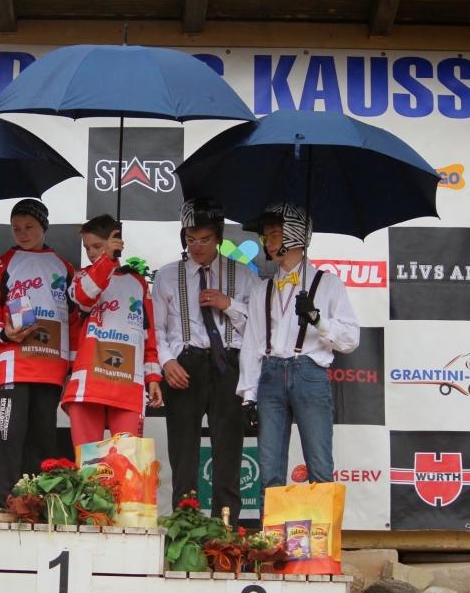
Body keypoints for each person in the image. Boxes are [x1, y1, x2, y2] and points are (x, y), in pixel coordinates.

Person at [237, 203, 359, 493]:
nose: (267, 242)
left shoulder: (328, 283)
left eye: (274, 234)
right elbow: (253, 343)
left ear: (296, 236)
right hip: (270, 375)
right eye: (266, 235)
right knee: (270, 471)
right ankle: (272, 524)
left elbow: (351, 339)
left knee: (319, 466)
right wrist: (248, 396)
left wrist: (318, 319)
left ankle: (321, 524)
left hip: (309, 373)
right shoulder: (262, 289)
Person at [152, 199, 258, 525]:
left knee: (228, 450)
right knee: (183, 452)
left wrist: (229, 305)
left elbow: (259, 331)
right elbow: (155, 328)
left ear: (219, 237)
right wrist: (167, 362)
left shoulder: (244, 275)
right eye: (190, 238)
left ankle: (225, 529)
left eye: (205, 239)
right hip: (185, 364)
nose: (196, 246)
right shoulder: (167, 275)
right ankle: (185, 525)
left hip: (229, 364)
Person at [0, 199, 77, 508]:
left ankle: (37, 506)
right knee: (7, 435)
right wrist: (4, 333)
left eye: (29, 227)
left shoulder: (65, 267)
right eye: (16, 228)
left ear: (44, 227)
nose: (22, 233)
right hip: (15, 365)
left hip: (51, 367)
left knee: (43, 440)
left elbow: (75, 320)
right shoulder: (1, 265)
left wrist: (72, 365)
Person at [62, 214, 163, 446]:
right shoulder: (81, 277)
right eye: (87, 247)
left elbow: (148, 335)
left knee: (127, 460)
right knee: (88, 462)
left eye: (97, 246)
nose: (91, 253)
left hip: (128, 384)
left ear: (116, 242)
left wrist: (153, 377)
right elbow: (84, 298)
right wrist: (105, 260)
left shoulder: (137, 281)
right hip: (88, 384)